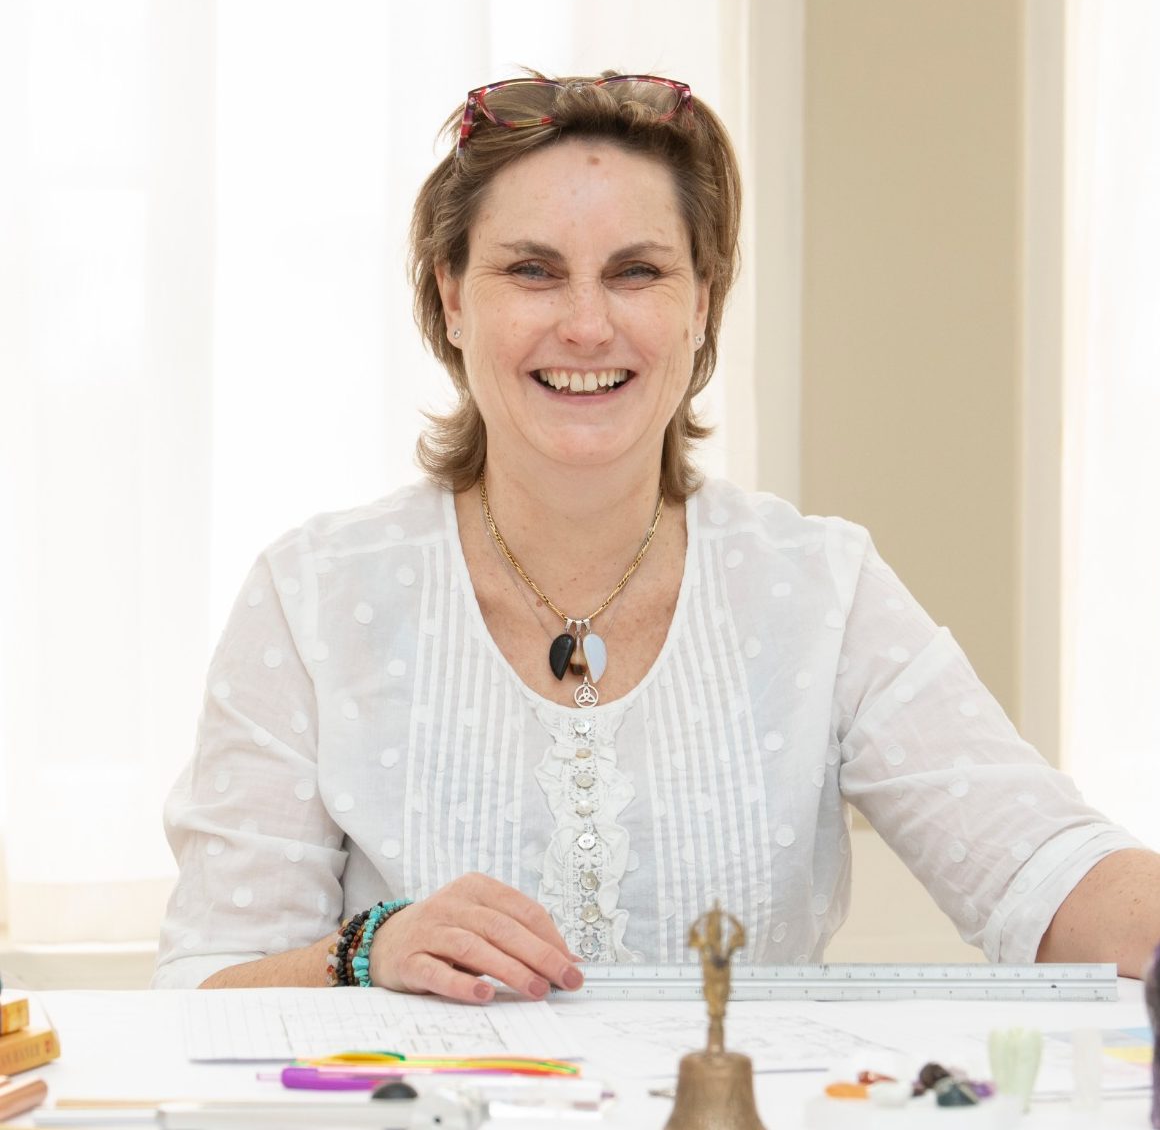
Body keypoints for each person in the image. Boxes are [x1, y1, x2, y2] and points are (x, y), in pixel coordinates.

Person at [154, 71, 1160, 1001]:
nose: (587, 325)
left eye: (636, 272)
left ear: (701, 304)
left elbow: (1045, 868)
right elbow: (202, 991)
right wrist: (364, 950)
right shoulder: (310, 596)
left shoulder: (818, 586)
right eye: (533, 271)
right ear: (452, 297)